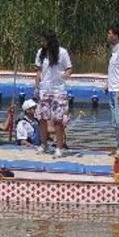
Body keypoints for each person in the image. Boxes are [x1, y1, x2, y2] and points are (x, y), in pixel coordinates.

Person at [34, 30, 73, 158]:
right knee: (41, 118)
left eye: (43, 40)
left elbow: (69, 68)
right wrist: (36, 86)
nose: (42, 42)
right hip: (44, 89)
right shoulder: (40, 52)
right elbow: (39, 70)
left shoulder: (62, 52)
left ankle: (59, 147)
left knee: (58, 120)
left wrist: (66, 75)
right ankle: (44, 144)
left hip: (58, 90)